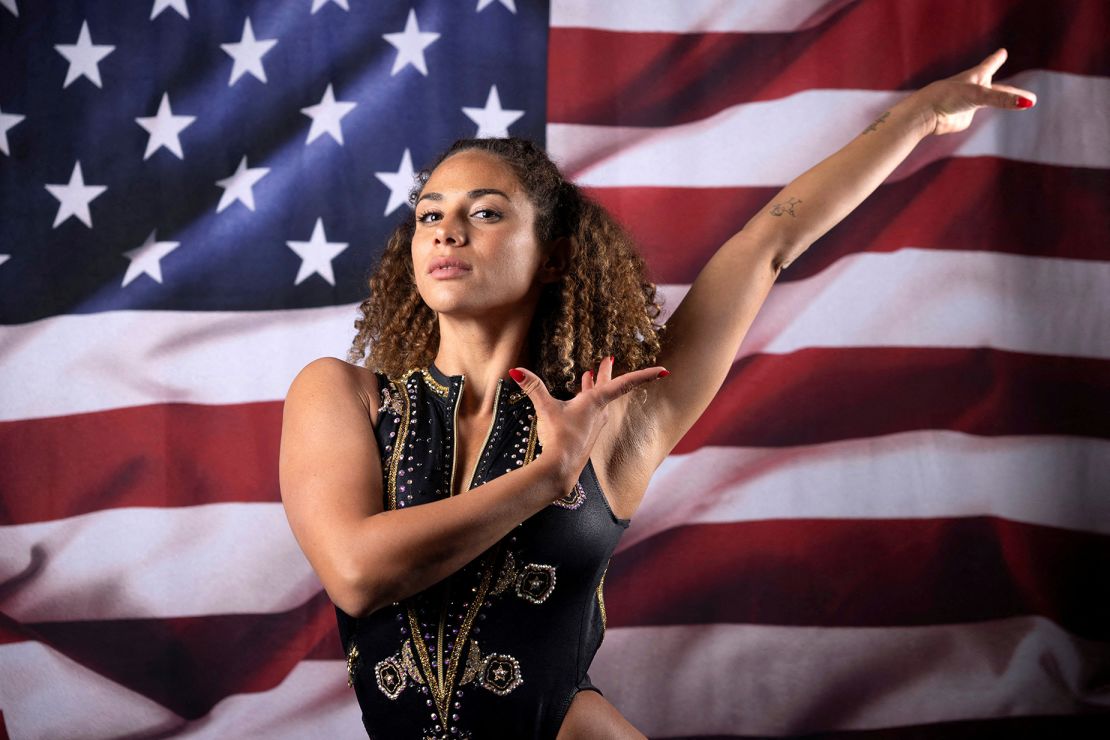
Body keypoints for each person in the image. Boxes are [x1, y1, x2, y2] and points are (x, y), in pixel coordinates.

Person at [279, 49, 1035, 739]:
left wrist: (914, 119)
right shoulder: (345, 398)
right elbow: (357, 573)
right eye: (429, 216)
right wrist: (546, 479)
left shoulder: (619, 415)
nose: (447, 232)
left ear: (553, 256)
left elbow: (764, 248)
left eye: (485, 212)